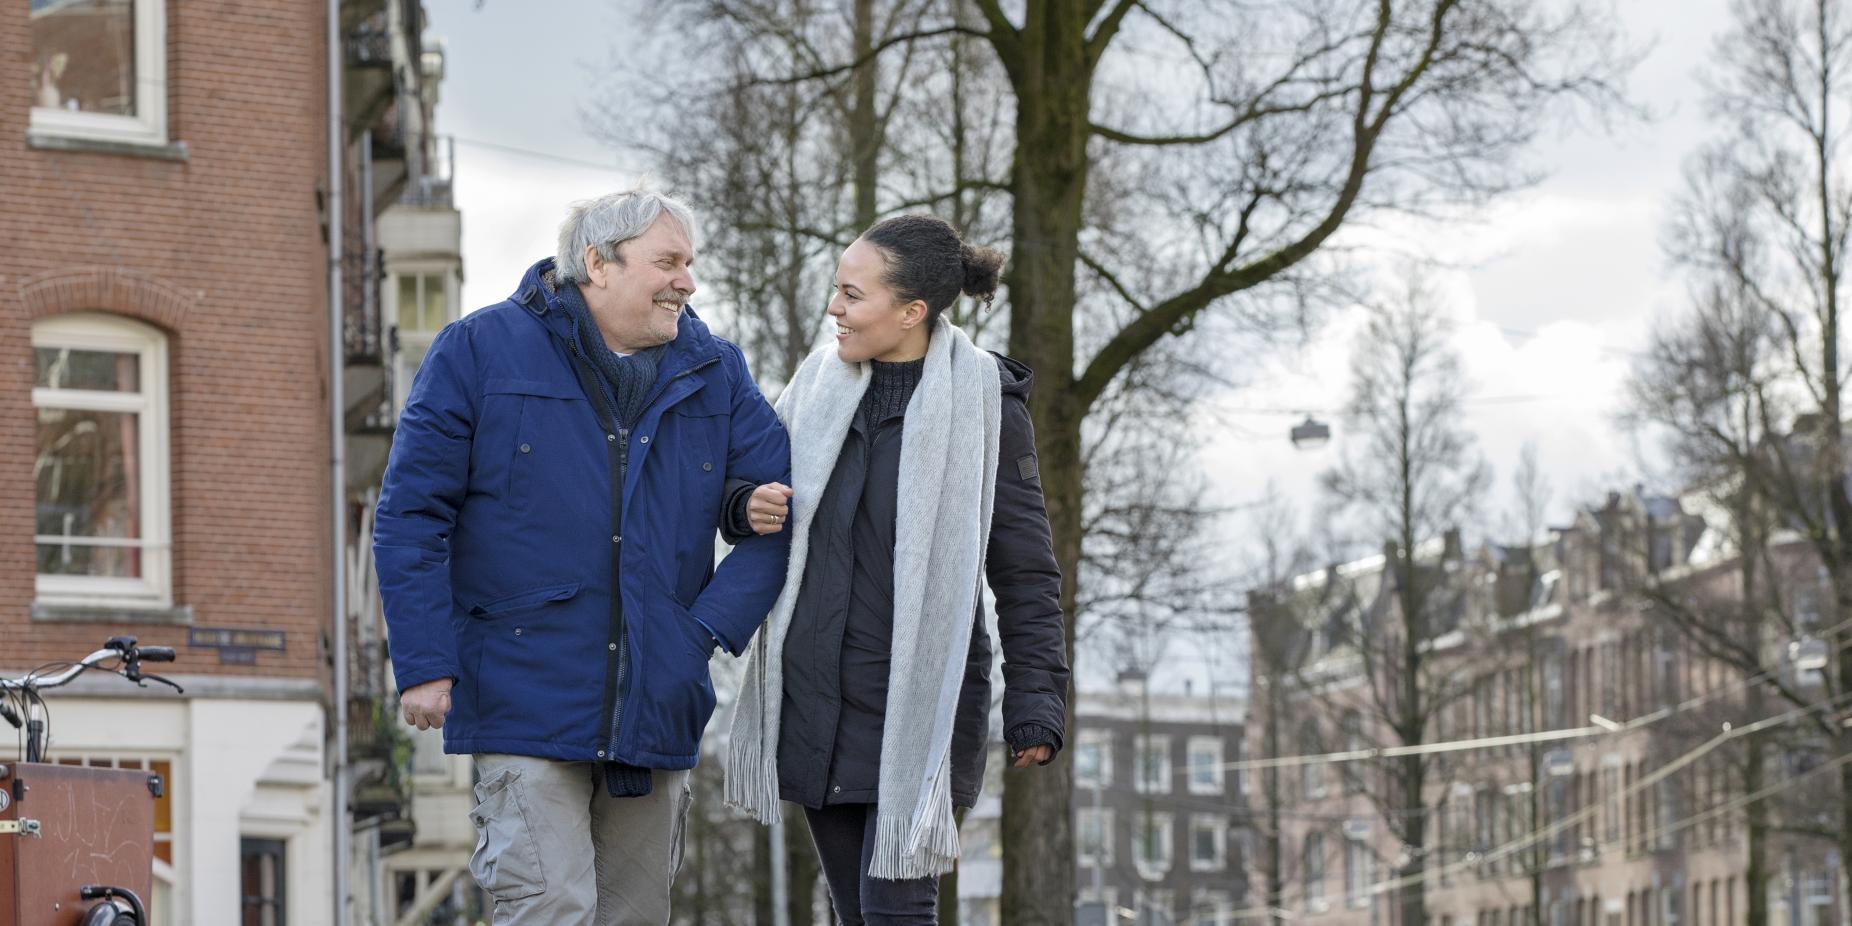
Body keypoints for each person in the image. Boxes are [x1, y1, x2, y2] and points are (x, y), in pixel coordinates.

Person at [374, 190, 792, 925]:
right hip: (519, 694)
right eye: (668, 262)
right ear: (597, 263)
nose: (687, 282)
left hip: (658, 704)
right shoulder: (477, 350)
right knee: (549, 908)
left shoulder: (716, 371)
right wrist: (426, 663)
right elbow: (411, 515)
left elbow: (779, 515)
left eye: (689, 264)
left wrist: (700, 635)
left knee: (636, 916)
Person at [726, 215, 1069, 924]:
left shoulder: (984, 406)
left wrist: (1037, 698)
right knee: (856, 914)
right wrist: (741, 506)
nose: (833, 308)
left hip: (924, 711)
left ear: (912, 312)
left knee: (897, 912)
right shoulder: (812, 390)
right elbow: (745, 497)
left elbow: (1026, 571)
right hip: (817, 703)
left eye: (852, 294)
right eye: (835, 289)